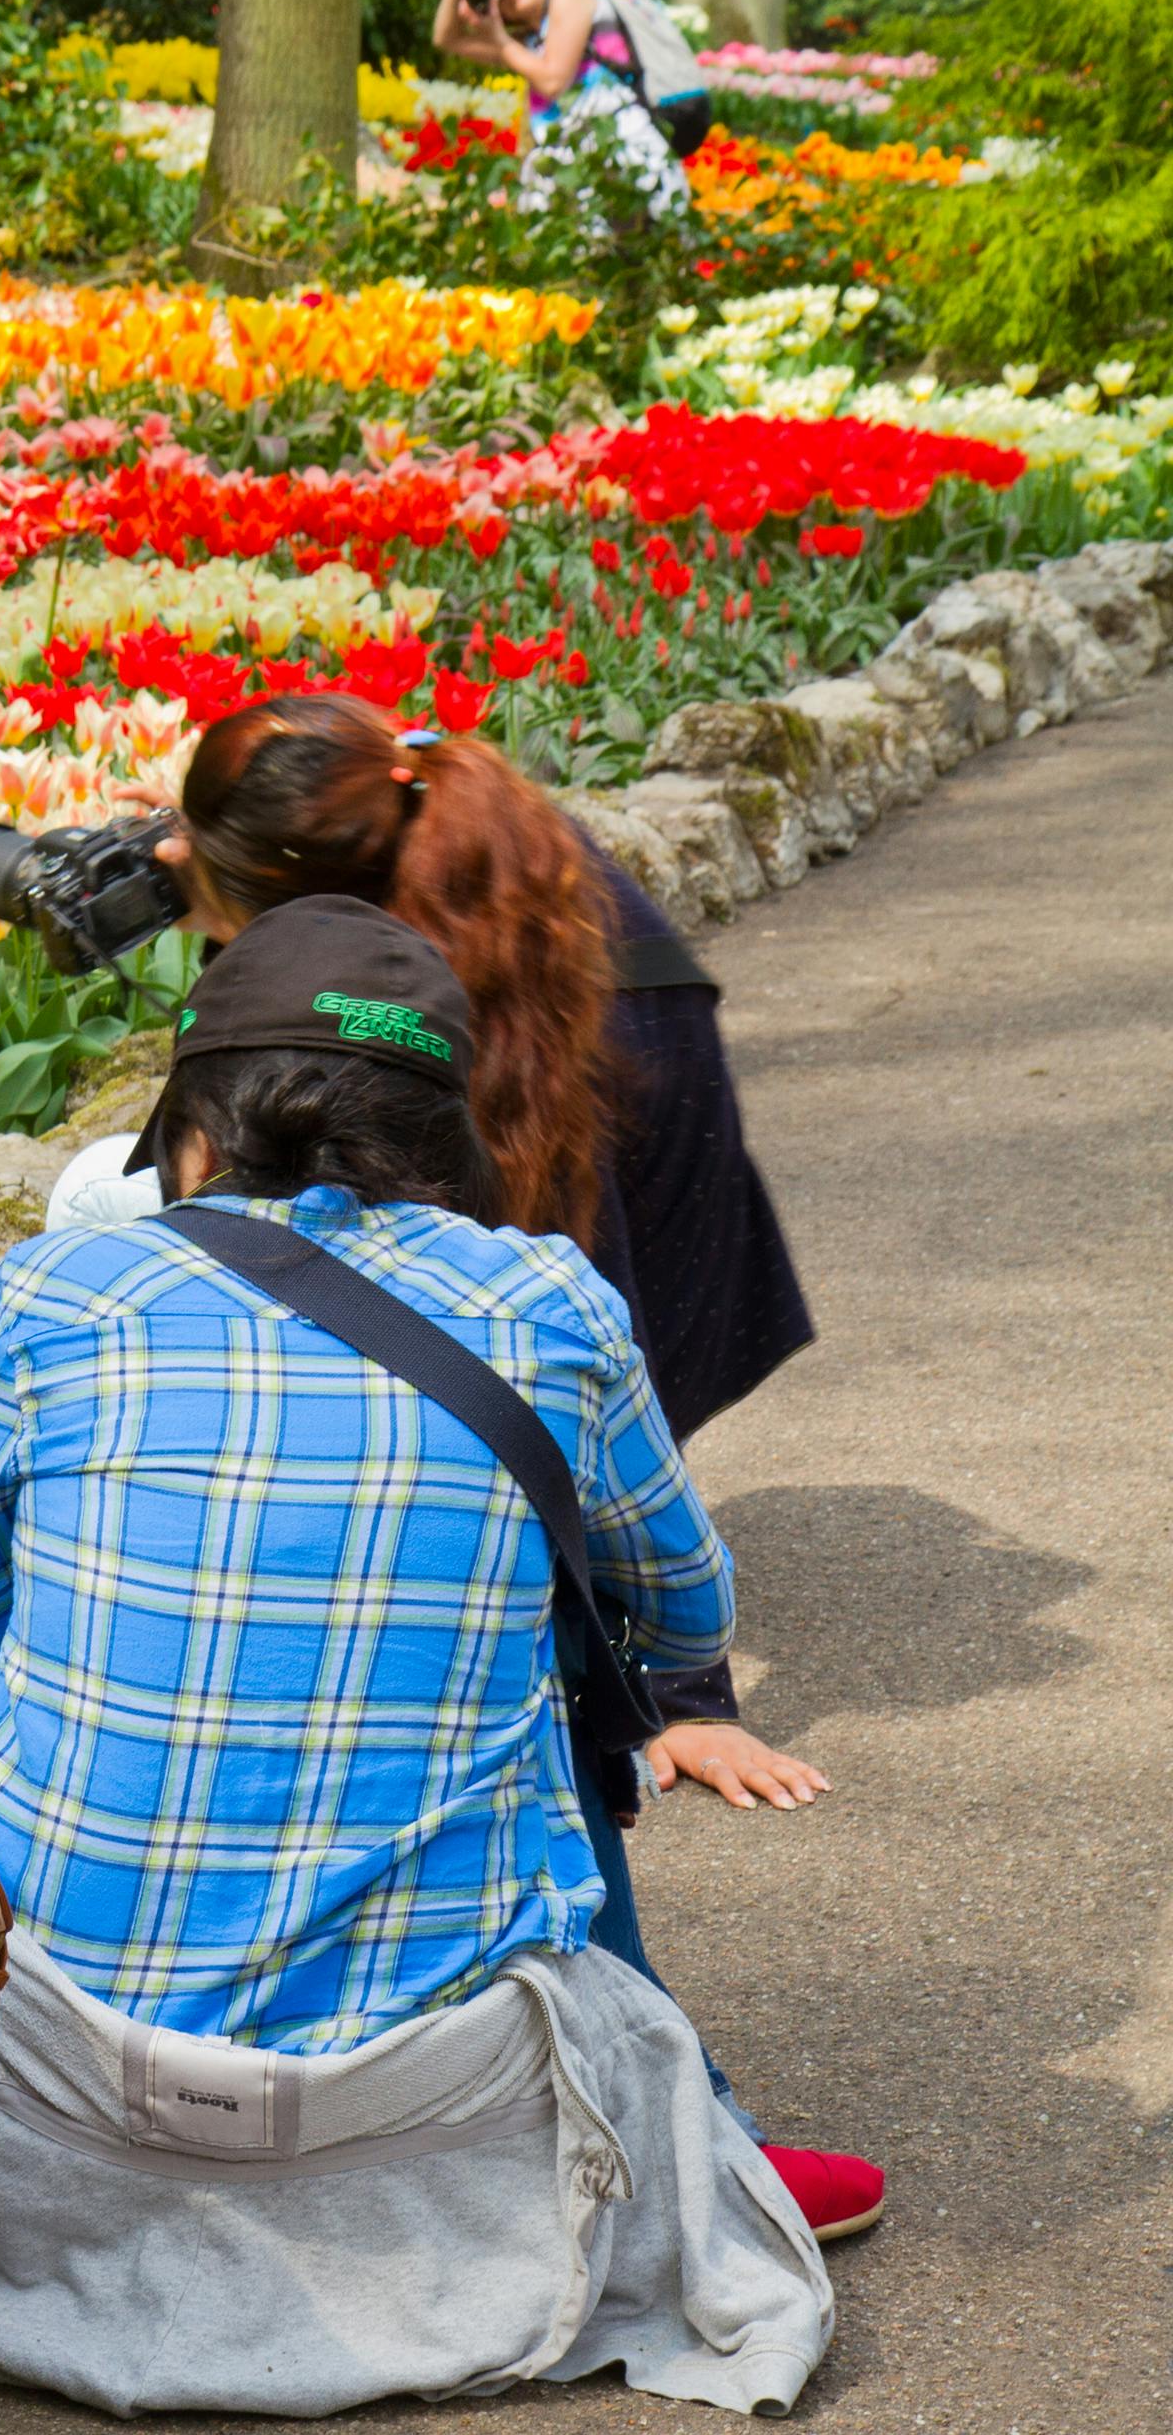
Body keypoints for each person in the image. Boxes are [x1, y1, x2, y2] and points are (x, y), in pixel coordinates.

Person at [0, 900, 842, 2416]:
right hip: (425, 2099)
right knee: (555, 1720)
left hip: (61, 2069)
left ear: (192, 1127)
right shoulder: (548, 1300)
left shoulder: (44, 1299)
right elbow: (686, 1608)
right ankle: (679, 2143)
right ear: (449, 1129)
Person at [54, 694, 827, 1818]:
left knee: (549, 1342)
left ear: (309, 899)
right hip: (601, 1064)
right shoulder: (417, 797)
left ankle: (633, 1665)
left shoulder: (484, 1028)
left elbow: (594, 1334)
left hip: (631, 1109)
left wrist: (684, 1693)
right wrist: (212, 847)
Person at [431, 0, 712, 221]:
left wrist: (500, 39)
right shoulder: (527, 45)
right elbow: (447, 39)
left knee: (650, 248)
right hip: (580, 170)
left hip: (628, 154)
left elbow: (553, 80)